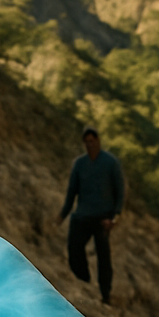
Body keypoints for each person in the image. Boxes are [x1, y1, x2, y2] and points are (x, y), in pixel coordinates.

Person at [57, 127, 125, 305]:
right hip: (83, 215)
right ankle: (83, 281)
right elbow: (72, 191)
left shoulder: (110, 163)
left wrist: (114, 216)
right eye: (86, 141)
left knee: (104, 257)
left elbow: (120, 191)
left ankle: (105, 294)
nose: (89, 144)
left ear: (98, 141)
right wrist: (63, 214)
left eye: (92, 141)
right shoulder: (79, 164)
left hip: (103, 217)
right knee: (74, 249)